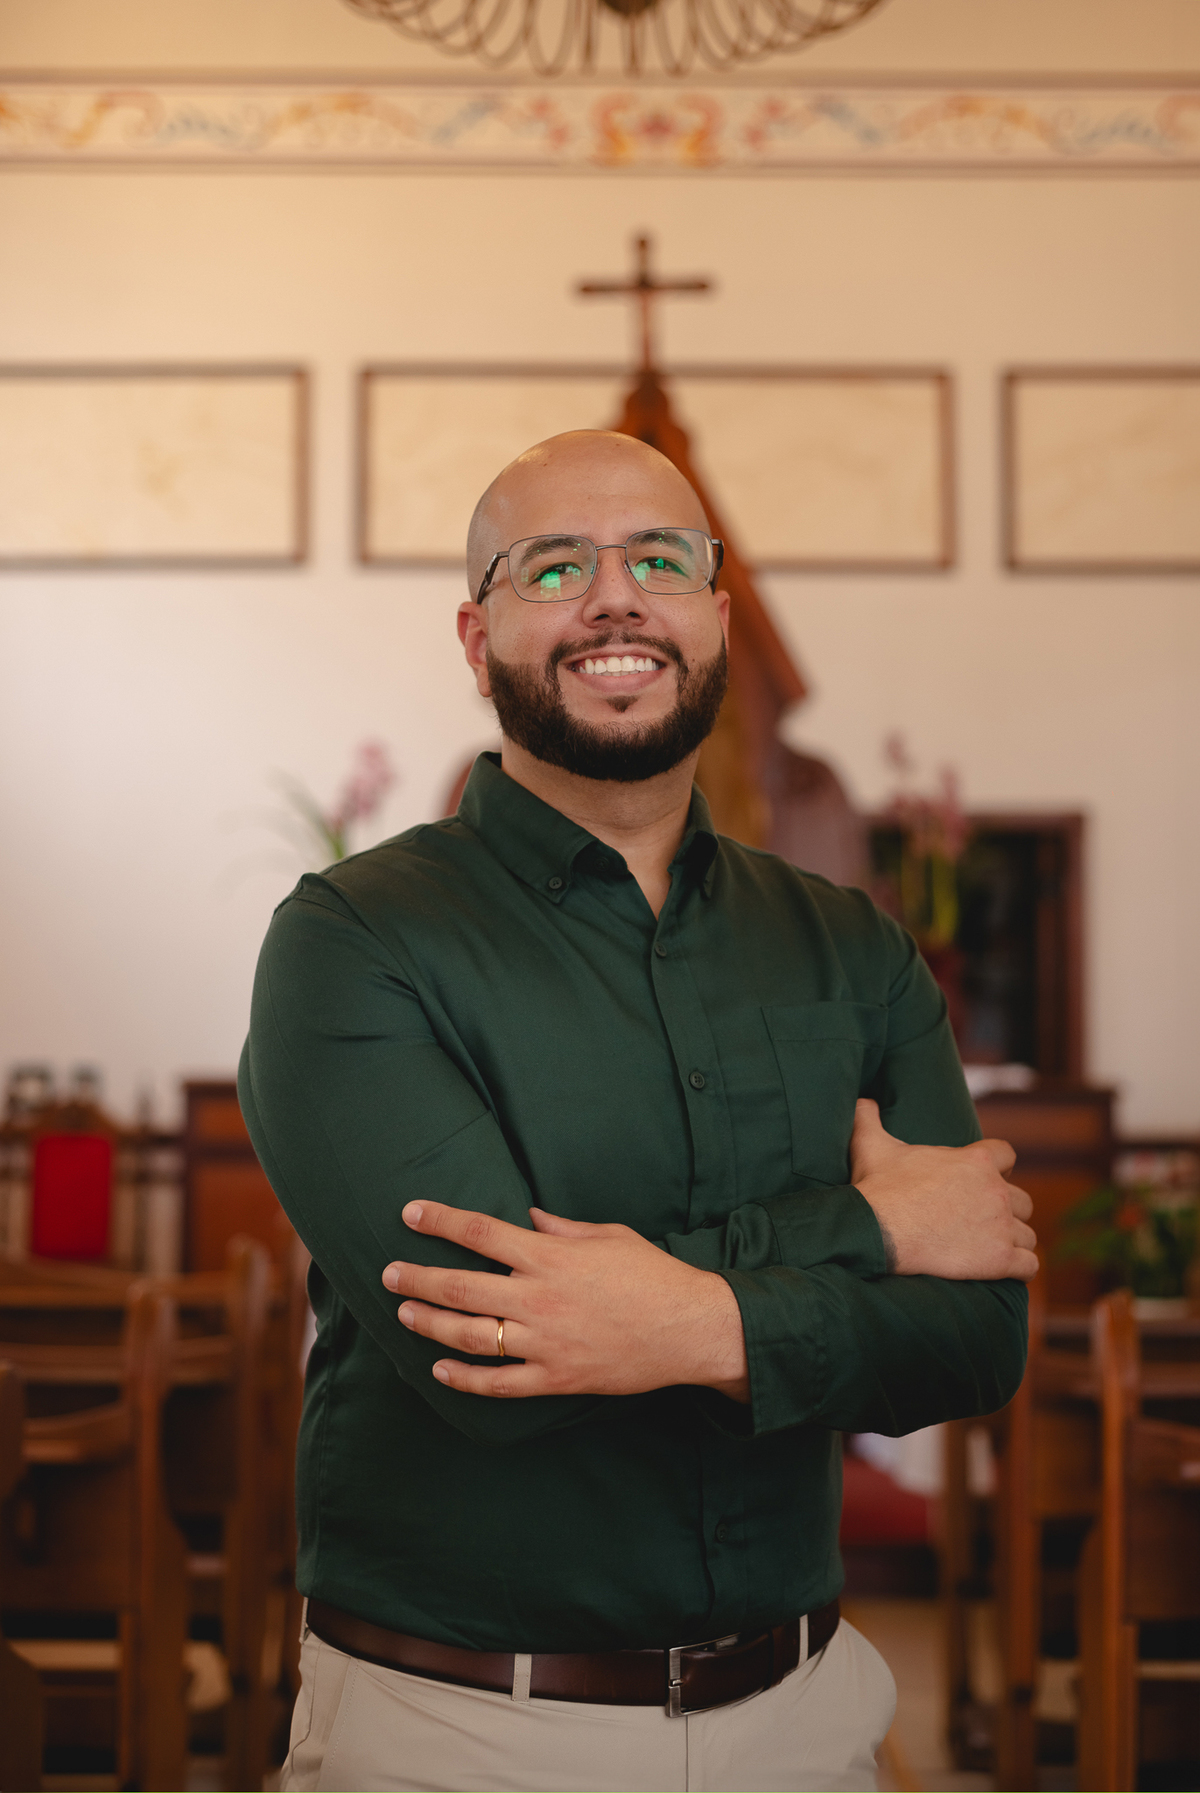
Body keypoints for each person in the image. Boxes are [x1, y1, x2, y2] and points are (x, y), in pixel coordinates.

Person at [239, 429, 1036, 1793]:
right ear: (476, 635)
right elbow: (495, 1352)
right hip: (464, 1730)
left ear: (714, 614)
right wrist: (869, 1229)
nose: (617, 598)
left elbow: (974, 1341)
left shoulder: (850, 945)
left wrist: (662, 1317)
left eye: (659, 560)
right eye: (555, 566)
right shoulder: (355, 938)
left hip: (807, 1717)